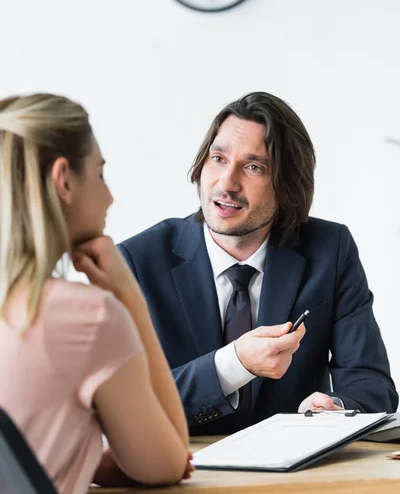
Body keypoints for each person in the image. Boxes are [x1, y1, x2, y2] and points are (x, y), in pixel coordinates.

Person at [119, 91, 398, 436]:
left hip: (297, 479)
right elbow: (128, 406)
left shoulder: (330, 249)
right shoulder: (137, 261)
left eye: (254, 167)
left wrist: (336, 408)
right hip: (184, 475)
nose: (227, 183)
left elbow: (371, 383)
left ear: (288, 184)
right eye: (218, 158)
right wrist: (235, 364)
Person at [0, 94, 191, 494]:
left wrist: (80, 454)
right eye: (101, 174)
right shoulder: (85, 318)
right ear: (63, 179)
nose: (109, 197)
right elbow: (169, 463)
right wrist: (129, 296)